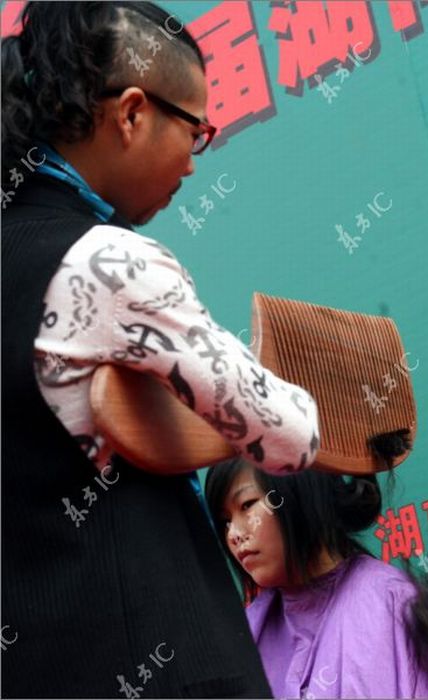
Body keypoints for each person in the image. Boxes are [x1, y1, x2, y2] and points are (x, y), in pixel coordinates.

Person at [1, 2, 320, 697]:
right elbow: (289, 436)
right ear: (132, 113)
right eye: (195, 132)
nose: (193, 165)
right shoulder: (107, 262)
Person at [205, 458, 428, 699]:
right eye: (225, 521)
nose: (234, 534)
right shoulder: (242, 636)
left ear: (299, 491)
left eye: (247, 505)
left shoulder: (399, 607)